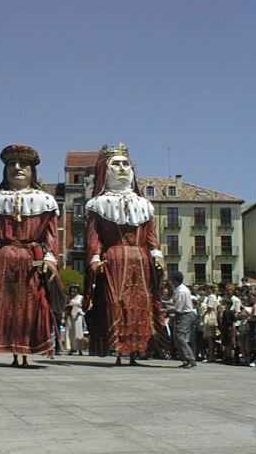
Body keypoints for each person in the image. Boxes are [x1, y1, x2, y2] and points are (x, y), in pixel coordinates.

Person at [0, 144, 63, 368]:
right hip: (3, 259)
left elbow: (52, 236)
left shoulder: (45, 201)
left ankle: (27, 350)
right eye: (11, 164)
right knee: (5, 306)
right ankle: (12, 351)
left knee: (32, 306)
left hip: (31, 259)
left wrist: (49, 258)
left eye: (23, 164)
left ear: (32, 170)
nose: (17, 168)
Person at [83, 144, 164, 366]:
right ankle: (119, 350)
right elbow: (94, 237)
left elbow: (151, 235)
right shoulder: (98, 205)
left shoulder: (144, 205)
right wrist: (95, 257)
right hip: (114, 260)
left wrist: (156, 254)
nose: (121, 168)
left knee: (140, 305)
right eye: (115, 164)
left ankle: (137, 350)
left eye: (125, 164)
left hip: (142, 261)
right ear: (105, 171)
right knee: (116, 303)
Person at [169, 272, 197, 368]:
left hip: (185, 315)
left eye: (171, 280)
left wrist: (165, 309)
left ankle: (190, 359)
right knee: (177, 338)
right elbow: (173, 302)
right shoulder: (178, 289)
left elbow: (178, 308)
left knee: (181, 338)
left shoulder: (182, 291)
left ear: (175, 280)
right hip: (181, 315)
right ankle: (184, 359)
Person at [66, 285, 85, 355]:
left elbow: (84, 305)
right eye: (72, 289)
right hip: (70, 315)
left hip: (78, 316)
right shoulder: (69, 297)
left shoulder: (81, 297)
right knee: (70, 333)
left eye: (75, 289)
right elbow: (65, 305)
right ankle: (72, 348)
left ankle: (80, 349)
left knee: (78, 333)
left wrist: (80, 309)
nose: (73, 290)